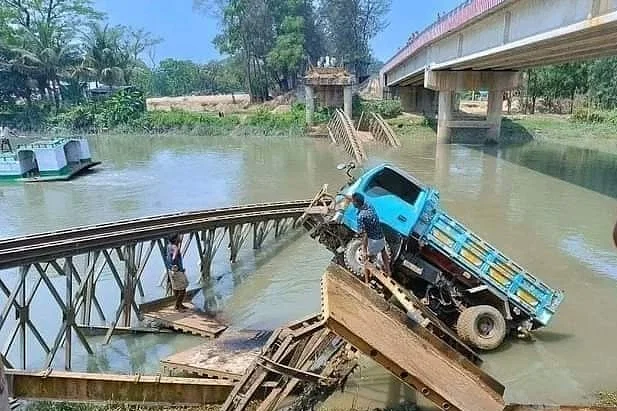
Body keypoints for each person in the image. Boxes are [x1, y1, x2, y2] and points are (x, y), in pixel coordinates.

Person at [350, 192, 391, 283]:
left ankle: (367, 281)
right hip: (381, 238)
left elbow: (364, 234)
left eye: (353, 202)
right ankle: (389, 271)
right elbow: (360, 202)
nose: (352, 203)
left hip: (374, 241)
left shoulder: (361, 217)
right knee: (383, 250)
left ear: (356, 203)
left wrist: (364, 250)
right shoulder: (369, 206)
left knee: (366, 258)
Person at [166, 234, 189, 311]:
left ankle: (179, 304)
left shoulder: (169, 245)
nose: (179, 238)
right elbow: (174, 256)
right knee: (183, 289)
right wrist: (174, 258)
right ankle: (177, 306)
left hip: (171, 270)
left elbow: (172, 251)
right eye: (178, 238)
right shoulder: (175, 248)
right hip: (177, 271)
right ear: (175, 239)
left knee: (176, 288)